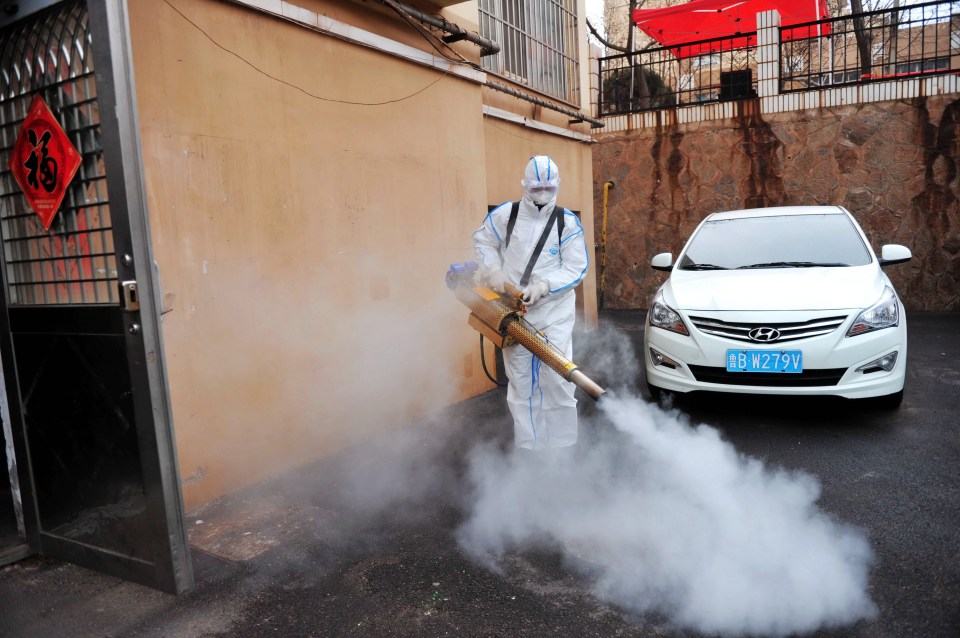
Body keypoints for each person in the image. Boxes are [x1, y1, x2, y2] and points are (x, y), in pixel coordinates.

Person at [472, 155, 589, 450]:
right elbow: (483, 240)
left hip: (554, 312)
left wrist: (544, 286)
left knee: (559, 379)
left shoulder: (567, 222)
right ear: (525, 185)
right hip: (514, 313)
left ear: (557, 186)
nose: (542, 194)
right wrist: (493, 268)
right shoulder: (506, 215)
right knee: (521, 383)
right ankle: (530, 448)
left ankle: (563, 448)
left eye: (548, 188)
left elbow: (576, 267)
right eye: (536, 188)